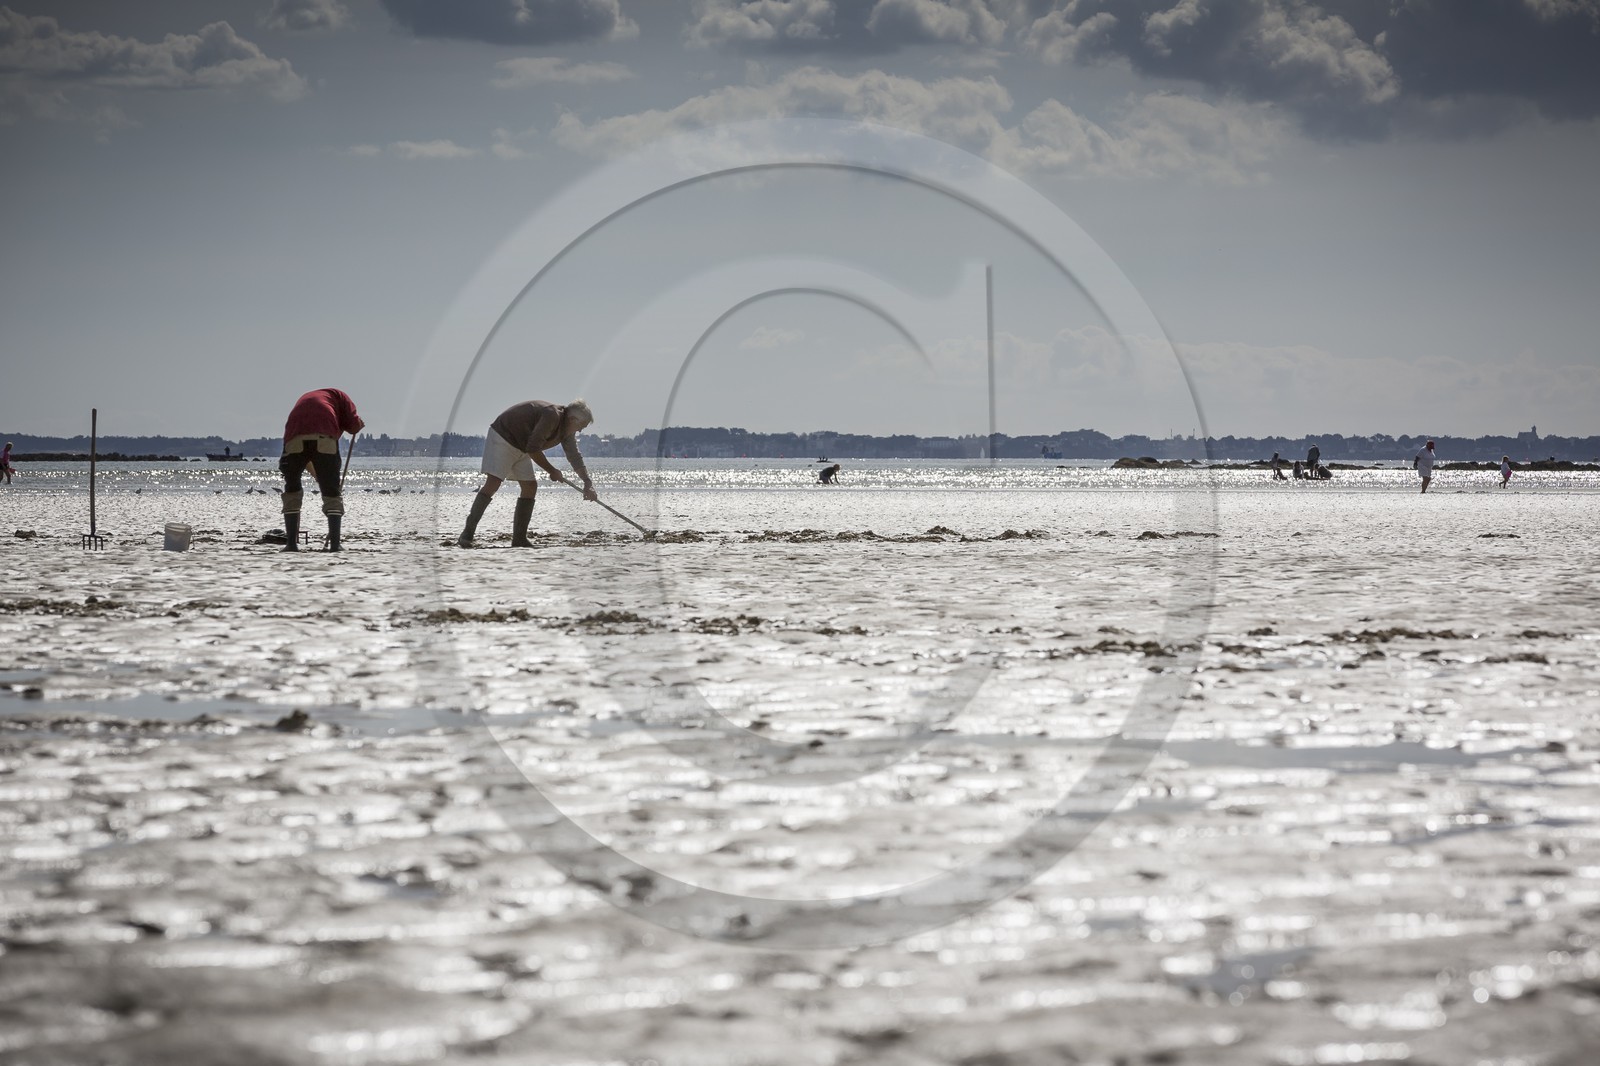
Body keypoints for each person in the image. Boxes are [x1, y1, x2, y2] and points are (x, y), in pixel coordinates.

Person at [458, 399, 597, 548]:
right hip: (504, 436)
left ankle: (519, 539)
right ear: (572, 419)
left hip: (522, 445)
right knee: (493, 483)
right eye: (581, 426)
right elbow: (533, 448)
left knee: (530, 487)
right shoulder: (552, 416)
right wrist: (552, 471)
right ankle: (467, 534)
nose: (580, 430)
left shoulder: (567, 430)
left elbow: (574, 456)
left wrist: (587, 482)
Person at [279, 388, 363, 552]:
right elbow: (353, 426)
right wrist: (358, 425)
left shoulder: (307, 399)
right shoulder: (341, 397)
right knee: (331, 491)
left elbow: (308, 454)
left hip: (294, 438)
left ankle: (291, 544)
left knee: (292, 488)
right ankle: (335, 545)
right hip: (324, 437)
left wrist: (319, 476)